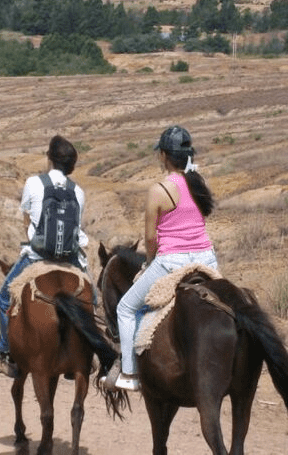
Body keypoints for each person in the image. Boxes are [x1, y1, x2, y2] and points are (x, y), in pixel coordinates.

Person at [109, 126, 217, 391]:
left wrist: (149, 263)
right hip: (207, 259)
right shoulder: (197, 182)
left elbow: (150, 240)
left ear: (164, 155)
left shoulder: (159, 190)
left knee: (125, 308)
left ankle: (130, 373)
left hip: (173, 262)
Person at [0, 135, 88, 377]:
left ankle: (4, 352)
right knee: (90, 299)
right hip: (70, 258)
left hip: (37, 256)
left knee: (2, 297)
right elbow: (76, 227)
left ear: (49, 159)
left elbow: (27, 221)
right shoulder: (78, 191)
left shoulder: (33, 182)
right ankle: (87, 354)